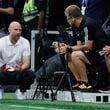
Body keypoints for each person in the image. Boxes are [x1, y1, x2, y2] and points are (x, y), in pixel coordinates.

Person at [59, 4, 108, 90]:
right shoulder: (77, 27)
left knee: (75, 55)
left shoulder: (87, 25)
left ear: (73, 18)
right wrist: (67, 47)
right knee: (68, 55)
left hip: (101, 51)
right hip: (90, 51)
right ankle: (80, 81)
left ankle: (86, 82)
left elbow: (88, 47)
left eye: (67, 18)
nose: (67, 20)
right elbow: (78, 46)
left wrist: (70, 48)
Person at [0, 21, 35, 100]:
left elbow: (27, 62)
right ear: (9, 30)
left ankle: (20, 91)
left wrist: (21, 68)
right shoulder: (1, 42)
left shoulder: (25, 42)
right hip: (3, 71)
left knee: (31, 74)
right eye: (16, 30)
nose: (18, 32)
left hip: (17, 71)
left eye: (20, 30)